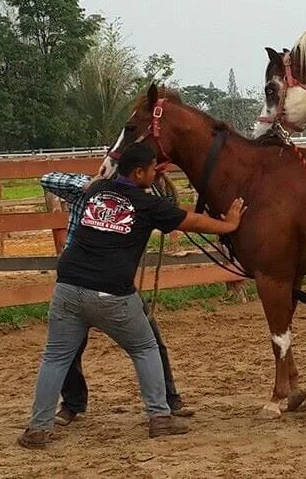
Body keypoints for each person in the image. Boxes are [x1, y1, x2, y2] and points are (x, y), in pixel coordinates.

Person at [18, 143, 246, 449]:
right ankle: (159, 417)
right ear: (138, 172)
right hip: (112, 293)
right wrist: (228, 224)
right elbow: (191, 221)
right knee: (144, 348)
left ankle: (38, 428)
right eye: (152, 169)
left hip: (68, 288)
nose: (155, 174)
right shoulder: (148, 205)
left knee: (55, 358)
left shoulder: (95, 191)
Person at [40, 171, 193, 426]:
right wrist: (86, 183)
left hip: (97, 280)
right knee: (143, 346)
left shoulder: (134, 194)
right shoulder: (92, 189)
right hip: (91, 279)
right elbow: (48, 179)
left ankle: (168, 398)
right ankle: (74, 404)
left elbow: (166, 206)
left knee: (62, 352)